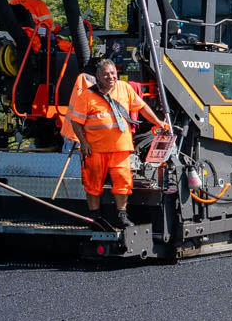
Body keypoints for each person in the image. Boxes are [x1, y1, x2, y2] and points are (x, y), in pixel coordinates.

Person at [66, 58, 168, 224]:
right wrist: (83, 143)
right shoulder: (87, 96)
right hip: (94, 149)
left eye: (113, 73)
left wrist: (159, 122)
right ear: (97, 76)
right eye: (106, 74)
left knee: (123, 182)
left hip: (120, 148)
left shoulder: (124, 88)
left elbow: (141, 107)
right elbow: (76, 123)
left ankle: (122, 216)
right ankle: (94, 217)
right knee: (92, 185)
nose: (111, 77)